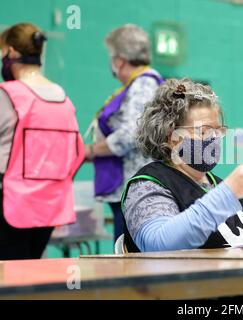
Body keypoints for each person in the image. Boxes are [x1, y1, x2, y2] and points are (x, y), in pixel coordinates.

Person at [121, 78, 243, 252]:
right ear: (172, 139)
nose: (214, 138)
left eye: (218, 131)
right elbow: (157, 244)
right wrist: (228, 193)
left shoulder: (217, 184)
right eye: (204, 131)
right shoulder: (149, 184)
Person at [0, 23, 84, 260]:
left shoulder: (7, 94)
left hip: (9, 206)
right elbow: (76, 155)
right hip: (48, 208)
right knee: (29, 273)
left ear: (11, 52)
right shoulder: (64, 99)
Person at [84, 24, 164, 242]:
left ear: (119, 60)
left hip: (133, 189)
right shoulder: (137, 85)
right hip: (127, 188)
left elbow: (131, 133)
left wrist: (90, 151)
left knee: (127, 257)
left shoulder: (144, 84)